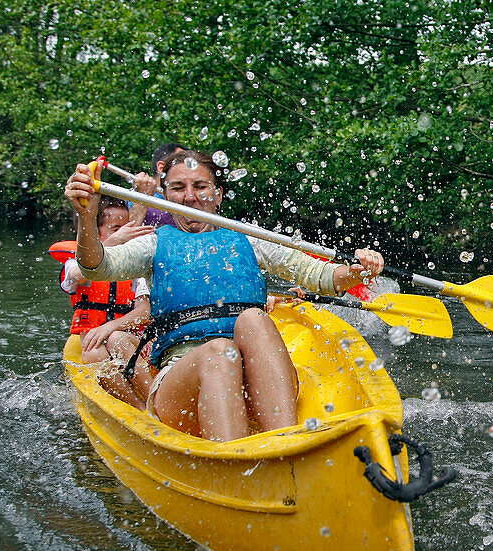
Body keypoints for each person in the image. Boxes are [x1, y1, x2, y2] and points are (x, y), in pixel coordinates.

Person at [64, 149, 385, 442]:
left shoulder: (250, 238)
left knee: (254, 319)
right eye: (177, 188)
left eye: (201, 187)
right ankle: (235, 463)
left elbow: (324, 276)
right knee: (220, 352)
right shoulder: (153, 243)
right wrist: (87, 218)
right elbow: (95, 266)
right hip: (182, 388)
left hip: (256, 386)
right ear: (164, 195)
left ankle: (286, 445)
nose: (189, 197)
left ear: (218, 194)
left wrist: (359, 271)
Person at [59, 196, 155, 407]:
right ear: (96, 232)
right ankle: (138, 407)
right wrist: (112, 243)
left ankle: (155, 403)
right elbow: (81, 273)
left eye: (126, 228)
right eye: (116, 228)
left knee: (117, 339)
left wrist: (110, 328)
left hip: (132, 343)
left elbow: (144, 312)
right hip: (95, 345)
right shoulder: (74, 264)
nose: (124, 234)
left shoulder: (136, 267)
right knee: (94, 353)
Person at [126, 142, 187, 228]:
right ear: (161, 167)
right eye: (182, 161)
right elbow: (125, 235)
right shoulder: (133, 198)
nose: (188, 169)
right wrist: (142, 198)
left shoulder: (191, 197)